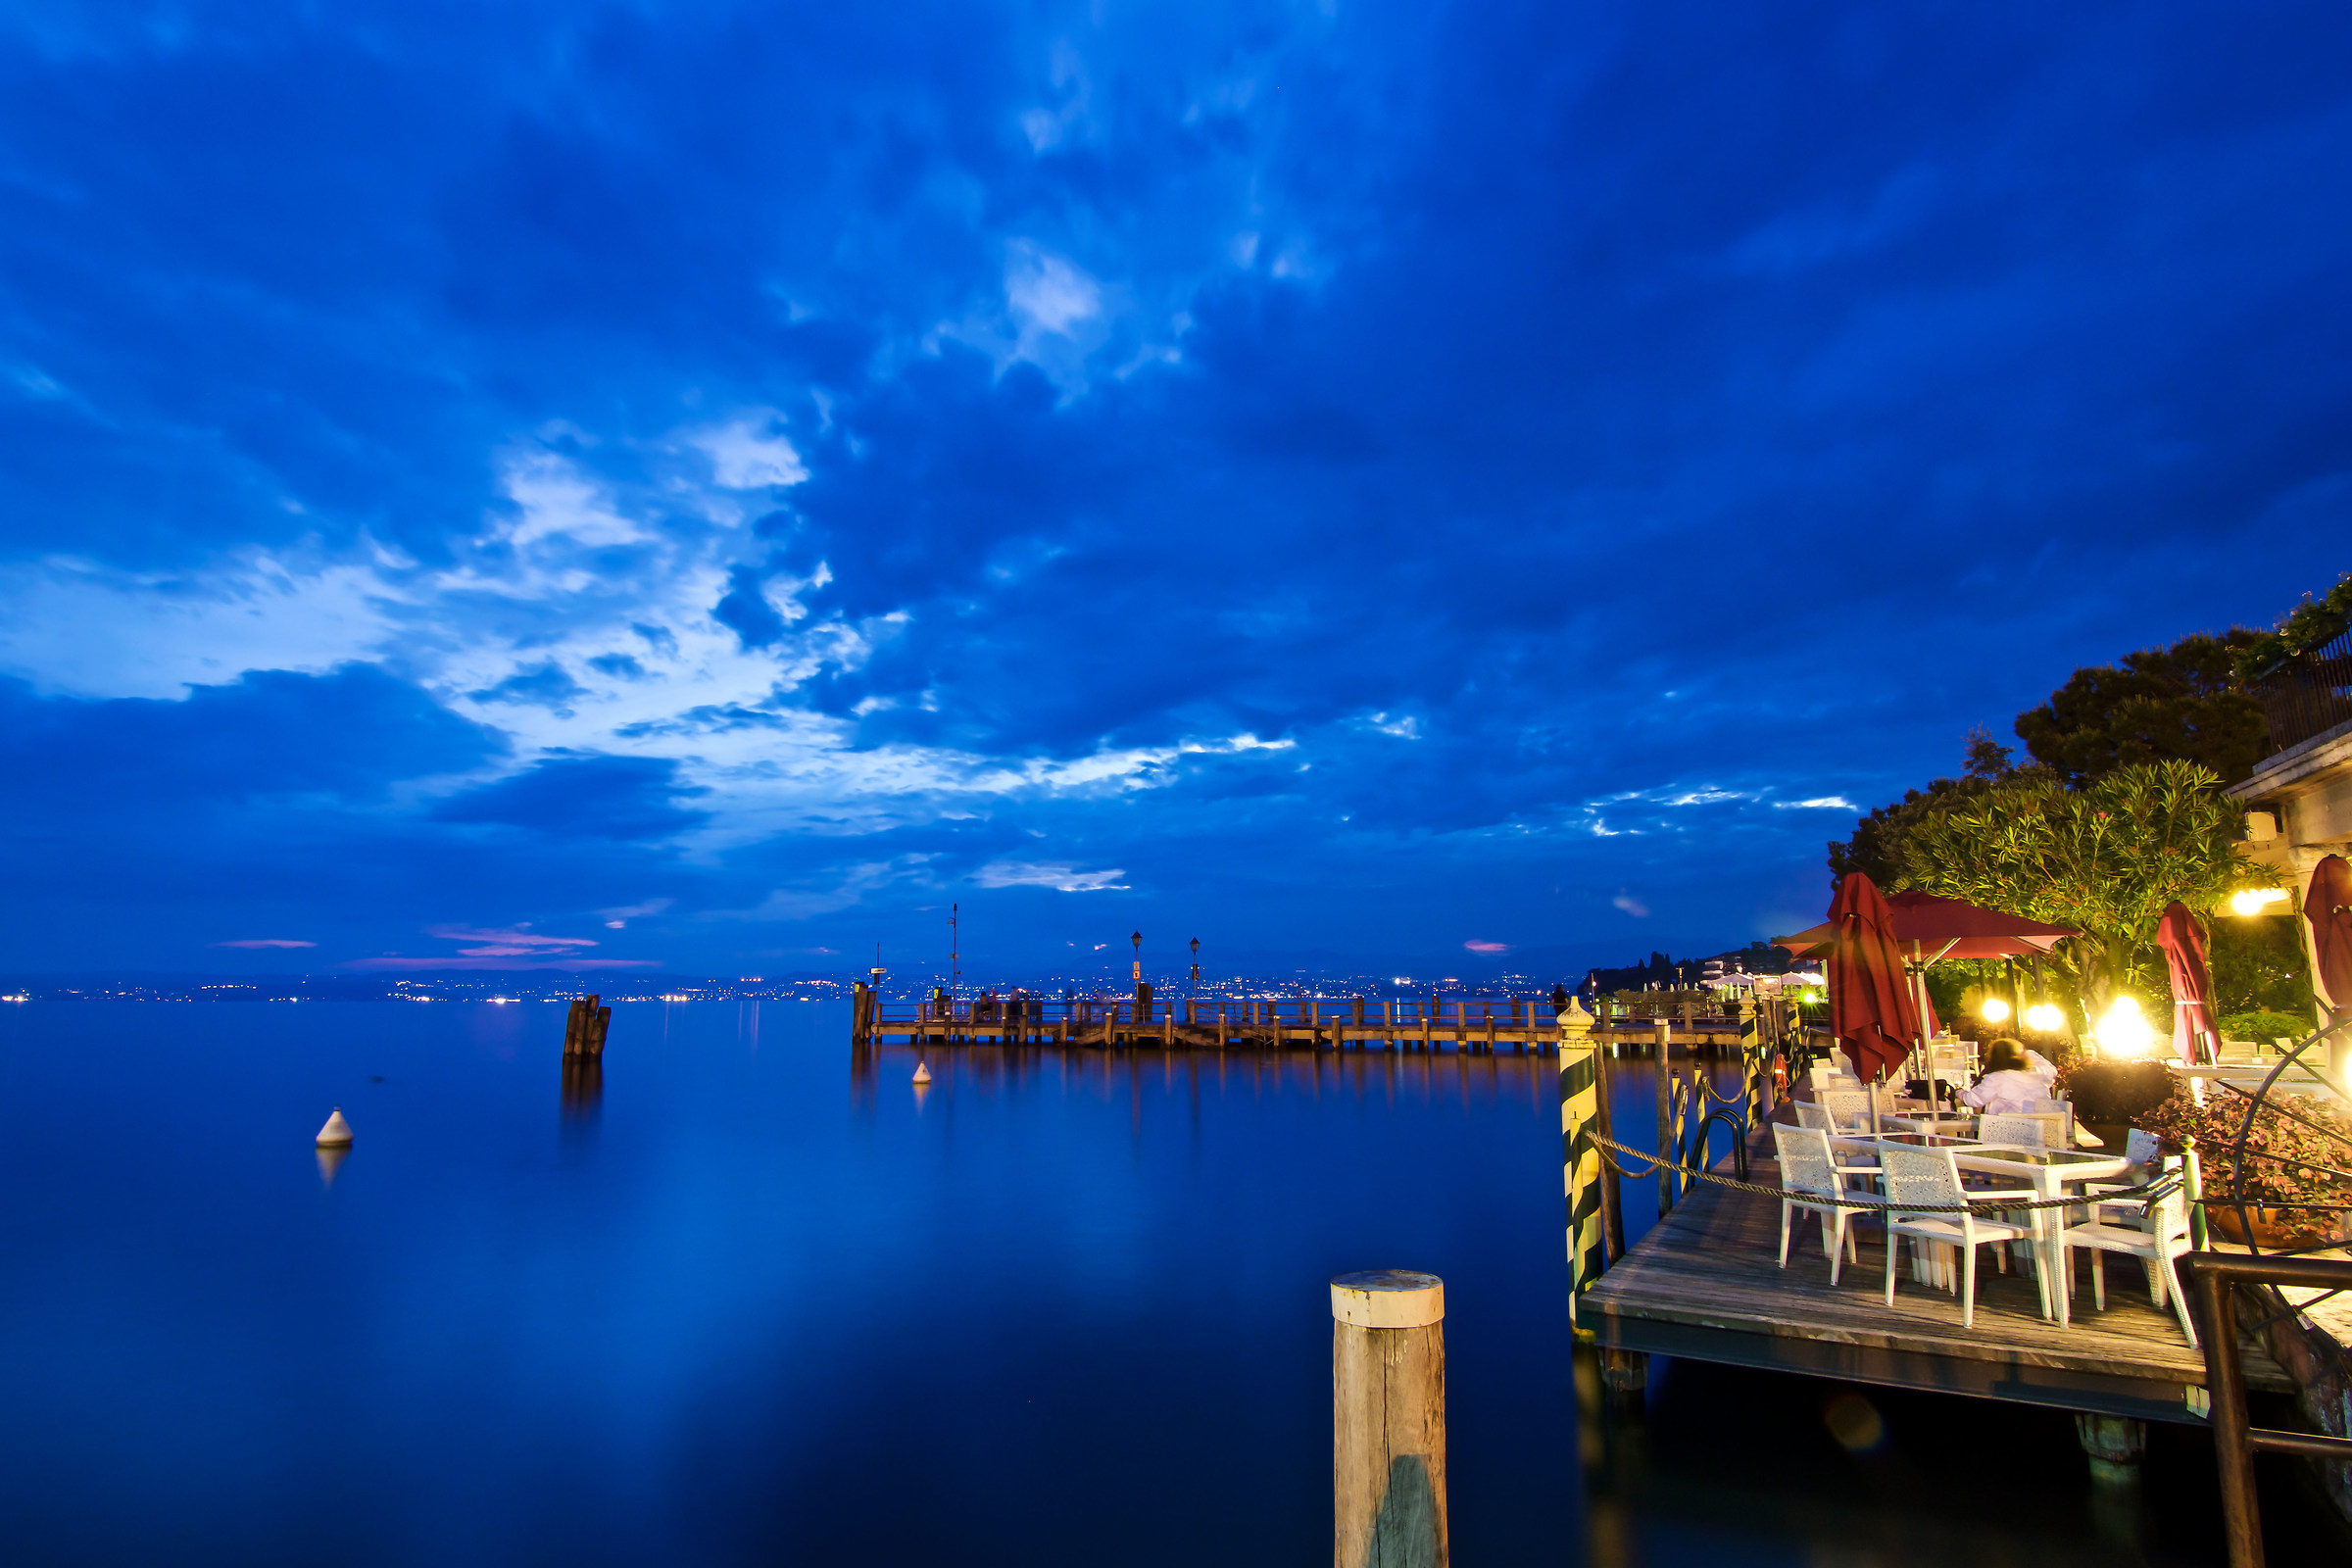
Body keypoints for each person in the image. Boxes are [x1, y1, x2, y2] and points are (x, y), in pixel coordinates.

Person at [1957, 1038, 2058, 1115]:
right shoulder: (2039, 1073)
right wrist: (2026, 1054)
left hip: (2009, 1134)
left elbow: (1972, 1100)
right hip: (2038, 1133)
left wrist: (1958, 1092)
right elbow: (2051, 1071)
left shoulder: (1998, 1078)